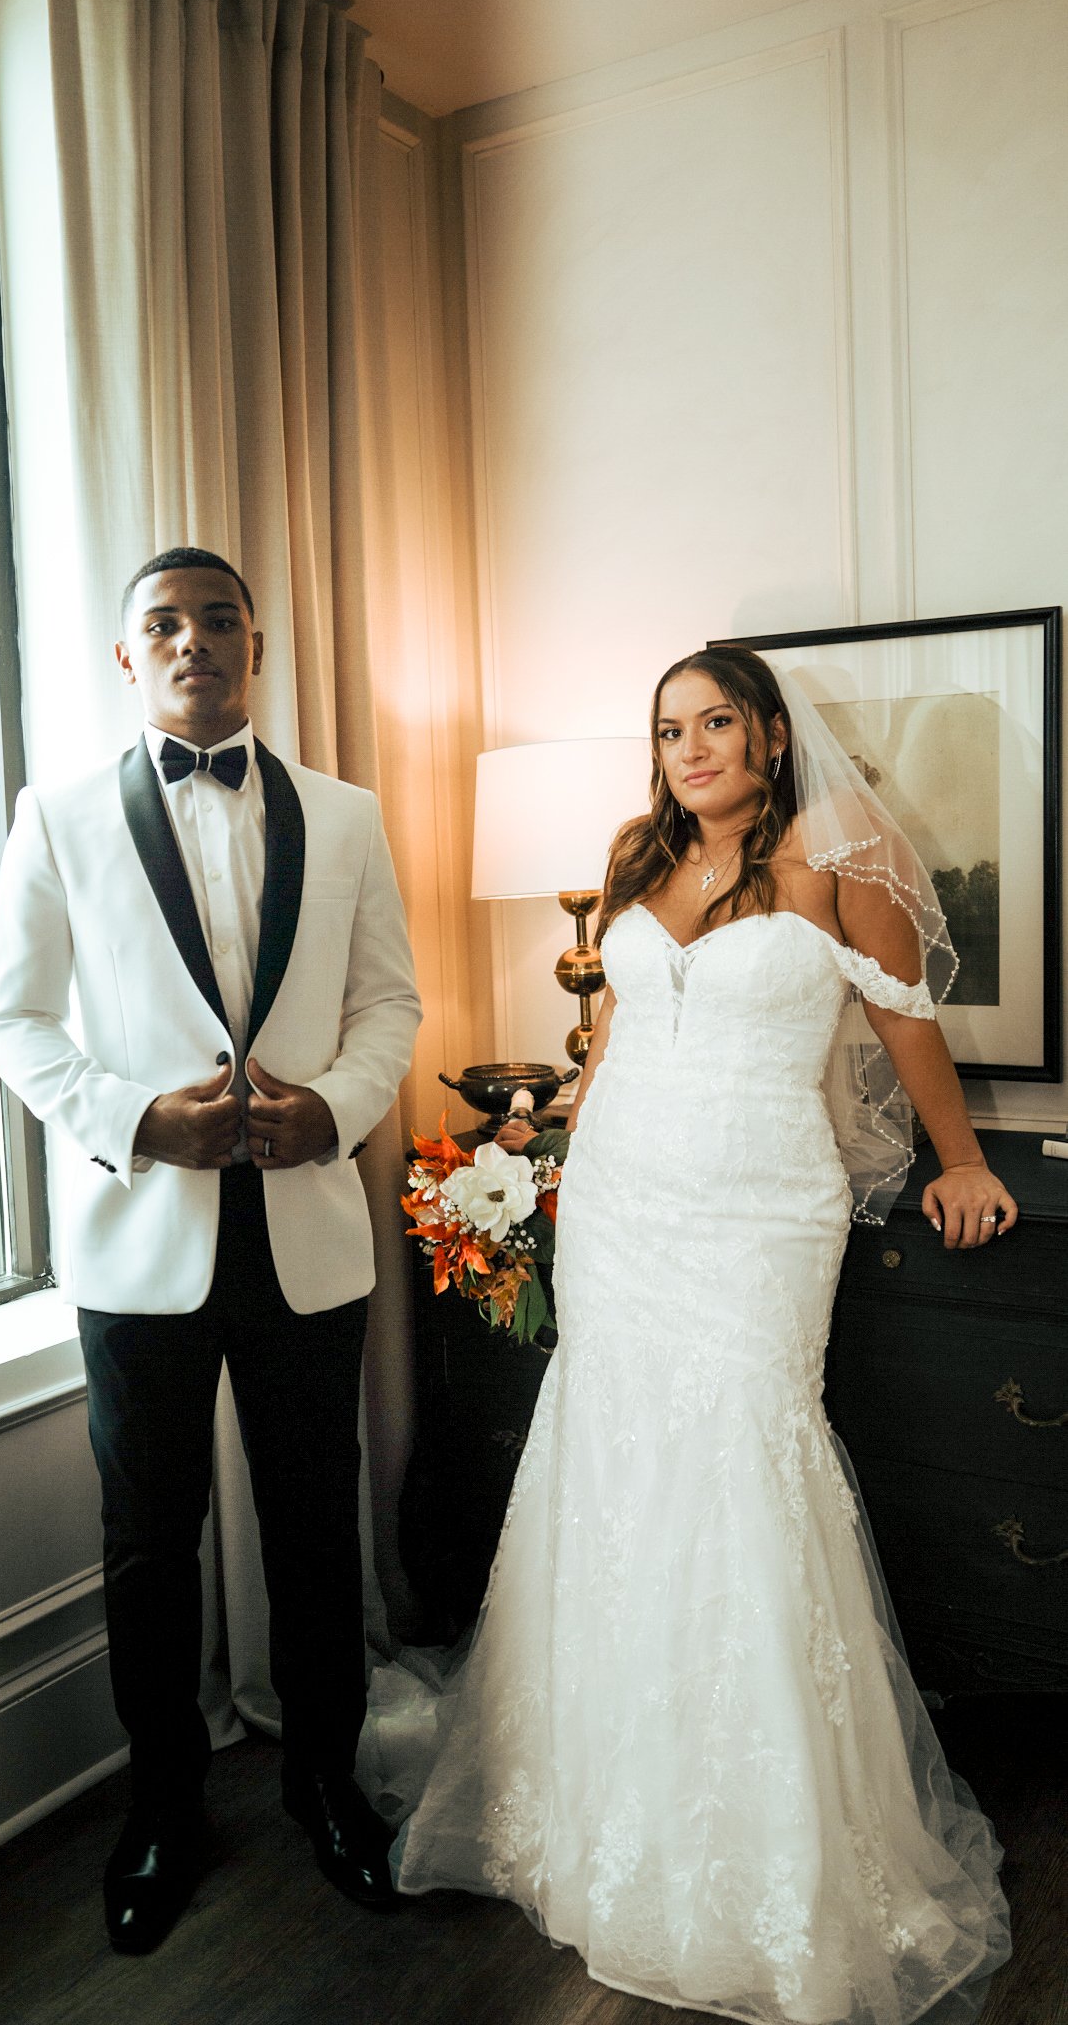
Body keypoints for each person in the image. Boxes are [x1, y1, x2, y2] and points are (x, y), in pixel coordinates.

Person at [373, 648, 1013, 2024]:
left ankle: (761, 1844)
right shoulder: (633, 854)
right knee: (612, 1463)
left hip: (757, 1206)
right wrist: (545, 1142)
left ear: (772, 734)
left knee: (739, 1456)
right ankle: (598, 1801)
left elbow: (905, 1023)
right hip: (622, 1203)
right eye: (670, 729)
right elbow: (612, 1033)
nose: (692, 747)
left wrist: (959, 1160)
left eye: (717, 721)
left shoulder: (841, 849)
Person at [0, 547, 421, 1952]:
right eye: (162, 625)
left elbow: (390, 1004)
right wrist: (134, 1121)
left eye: (217, 620)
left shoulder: (347, 815)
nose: (192, 642)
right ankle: (163, 1808)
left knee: (315, 1530)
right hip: (139, 1244)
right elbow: (12, 1022)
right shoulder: (55, 816)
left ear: (254, 644)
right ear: (129, 657)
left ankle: (326, 1785)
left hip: (307, 1239)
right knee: (147, 1544)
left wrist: (336, 1110)